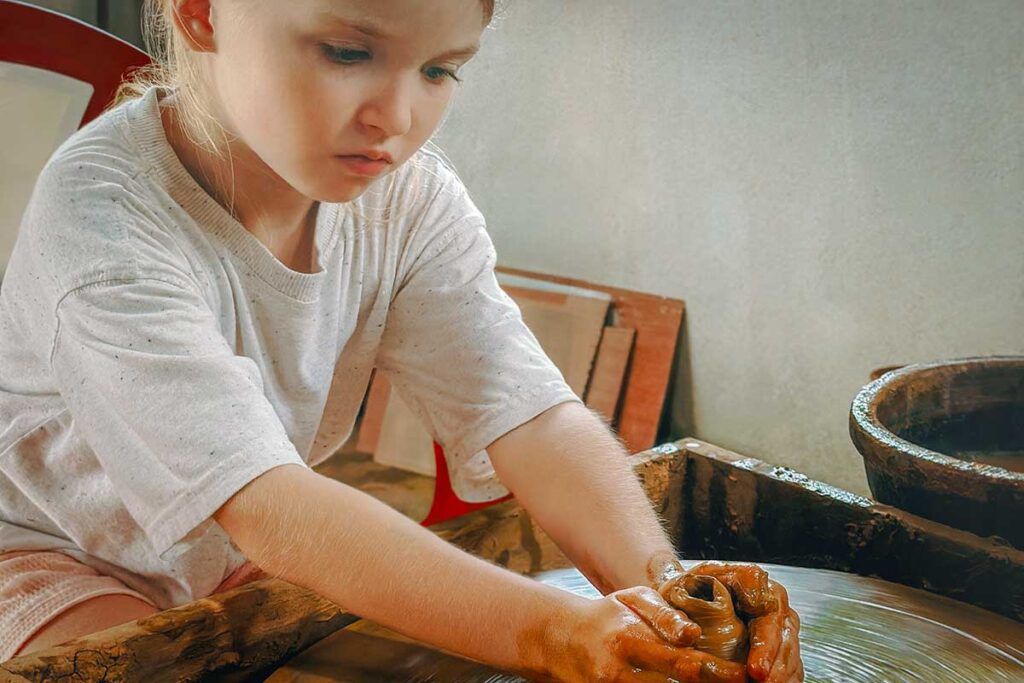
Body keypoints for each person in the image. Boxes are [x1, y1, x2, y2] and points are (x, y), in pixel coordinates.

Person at [0, 0, 802, 680]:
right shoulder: (104, 216)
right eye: (349, 52)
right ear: (205, 13)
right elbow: (268, 504)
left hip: (215, 549)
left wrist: (671, 598)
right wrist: (557, 633)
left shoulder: (407, 204)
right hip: (43, 549)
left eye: (440, 70)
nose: (397, 118)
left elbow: (528, 414)